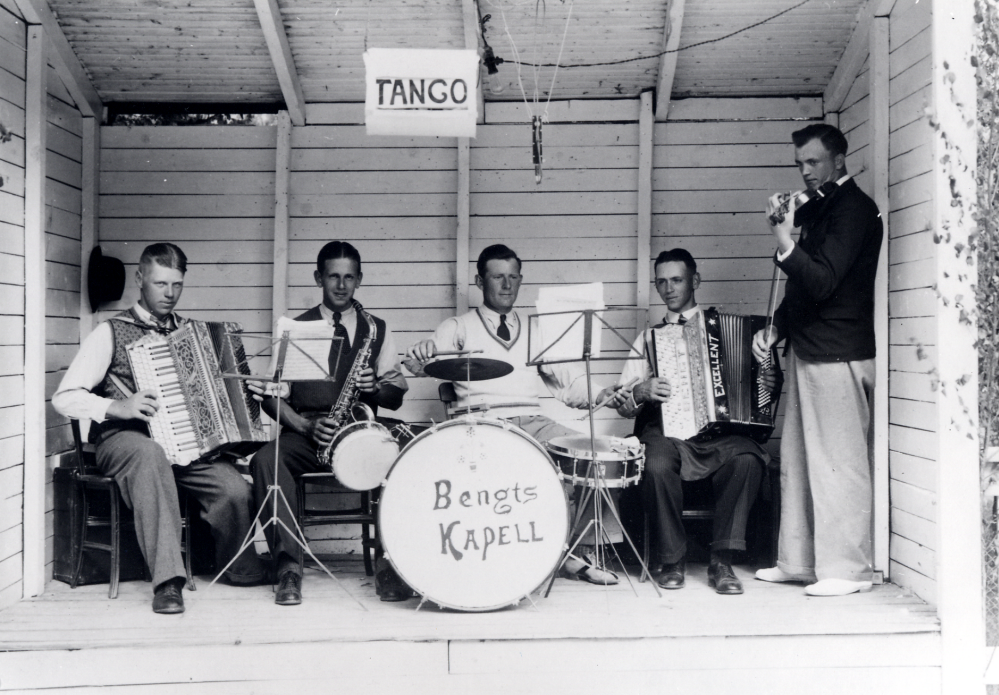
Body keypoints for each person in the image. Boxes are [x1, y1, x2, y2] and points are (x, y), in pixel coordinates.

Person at [52, 243, 266, 615]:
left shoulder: (193, 333)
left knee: (232, 488)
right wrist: (117, 406)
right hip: (126, 439)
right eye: (159, 284)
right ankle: (168, 582)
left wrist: (252, 393)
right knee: (151, 457)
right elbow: (64, 397)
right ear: (140, 279)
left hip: (185, 444)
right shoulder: (110, 332)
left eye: (176, 285)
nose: (169, 294)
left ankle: (241, 567)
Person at [406, 244, 626, 585]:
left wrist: (604, 394)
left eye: (513, 277)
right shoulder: (458, 326)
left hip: (532, 421)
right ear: (480, 281)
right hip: (482, 423)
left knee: (593, 456)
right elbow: (421, 364)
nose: (506, 285)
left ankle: (574, 554)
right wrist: (420, 355)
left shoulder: (536, 328)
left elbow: (568, 384)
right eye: (497, 277)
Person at [752, 123, 883, 597]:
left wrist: (785, 240)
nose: (805, 172)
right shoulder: (823, 206)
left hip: (839, 352)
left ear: (840, 160)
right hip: (809, 347)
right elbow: (802, 286)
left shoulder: (856, 210)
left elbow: (824, 280)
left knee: (840, 464)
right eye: (800, 164)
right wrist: (777, 327)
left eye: (814, 162)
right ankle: (800, 562)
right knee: (800, 461)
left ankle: (847, 571)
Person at [248, 241, 409, 606]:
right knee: (265, 461)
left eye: (349, 277)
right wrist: (304, 427)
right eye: (333, 276)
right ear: (319, 277)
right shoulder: (295, 328)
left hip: (359, 434)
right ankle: (288, 567)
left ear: (359, 280)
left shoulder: (376, 329)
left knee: (401, 458)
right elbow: (273, 396)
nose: (341, 285)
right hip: (308, 433)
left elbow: (397, 392)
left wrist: (378, 387)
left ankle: (390, 564)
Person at [614, 249, 770, 594]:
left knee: (747, 458)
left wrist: (767, 381)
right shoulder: (648, 339)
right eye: (662, 282)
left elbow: (760, 386)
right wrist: (642, 389)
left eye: (677, 280)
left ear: (695, 281)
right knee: (654, 464)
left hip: (716, 434)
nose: (668, 288)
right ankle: (672, 560)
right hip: (665, 433)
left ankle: (722, 561)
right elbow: (622, 407)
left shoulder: (726, 329)